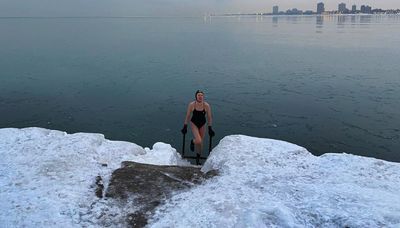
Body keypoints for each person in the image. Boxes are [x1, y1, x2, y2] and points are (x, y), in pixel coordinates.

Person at [181, 90, 215, 164]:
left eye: (201, 95)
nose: (200, 97)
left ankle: (198, 159)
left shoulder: (206, 105)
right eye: (198, 95)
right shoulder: (192, 105)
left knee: (200, 143)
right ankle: (192, 141)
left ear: (203, 97)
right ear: (196, 96)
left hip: (203, 124)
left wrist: (210, 128)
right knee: (198, 140)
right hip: (194, 123)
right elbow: (188, 115)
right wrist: (185, 126)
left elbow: (209, 117)